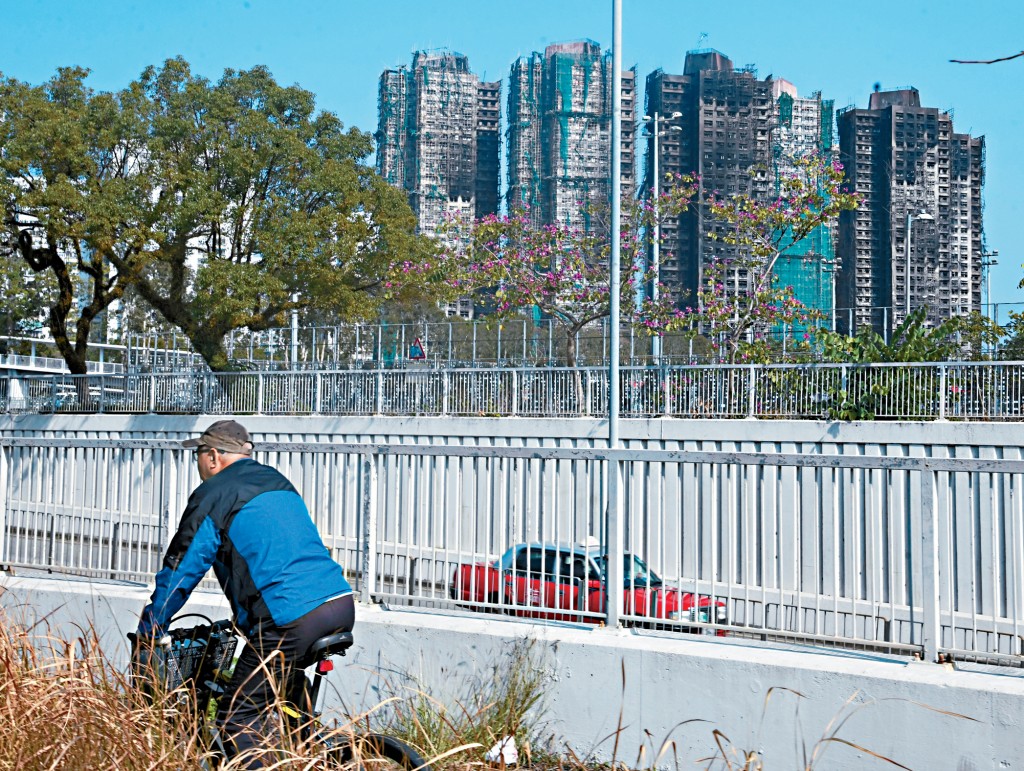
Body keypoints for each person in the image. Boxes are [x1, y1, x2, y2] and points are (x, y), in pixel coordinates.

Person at [133, 420, 354, 767]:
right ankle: (317, 752)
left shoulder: (215, 493)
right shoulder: (277, 482)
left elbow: (183, 568)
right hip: (338, 602)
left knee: (238, 719)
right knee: (292, 711)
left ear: (213, 457)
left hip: (290, 618)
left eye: (198, 455)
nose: (199, 463)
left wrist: (150, 629)